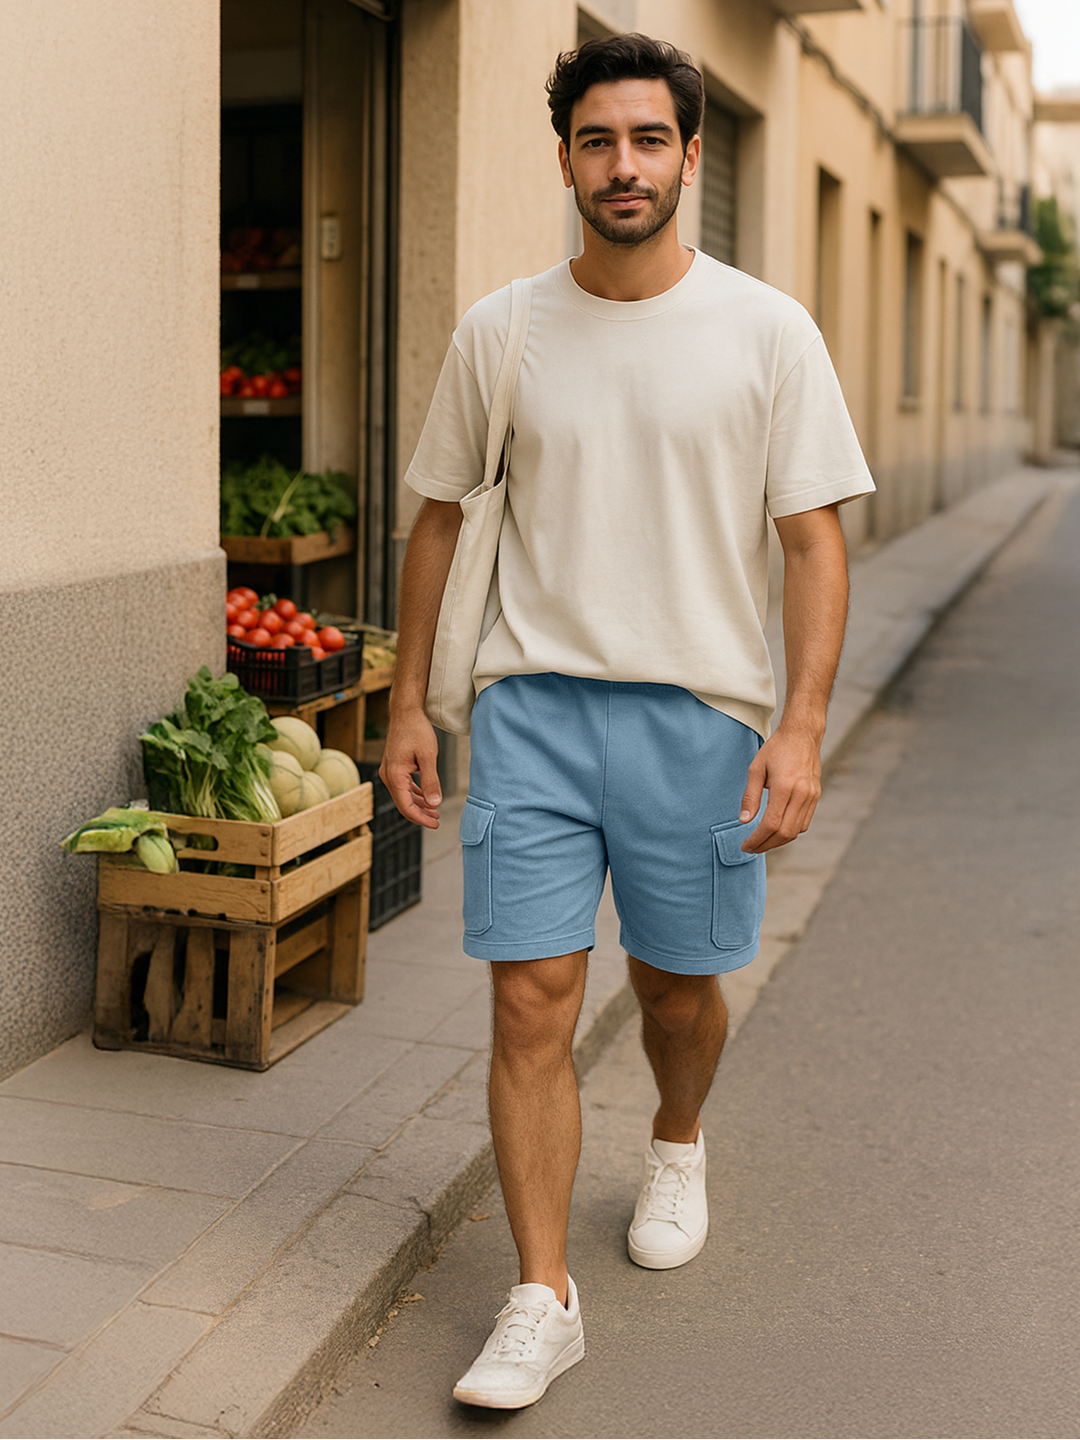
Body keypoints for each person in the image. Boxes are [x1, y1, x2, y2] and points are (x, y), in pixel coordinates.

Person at [379, 31, 874, 1411]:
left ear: (691, 158)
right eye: (597, 140)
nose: (623, 165)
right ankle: (541, 1296)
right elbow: (439, 518)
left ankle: (676, 1137)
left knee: (672, 991)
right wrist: (411, 701)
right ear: (566, 161)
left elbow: (814, 541)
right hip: (533, 712)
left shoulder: (767, 330)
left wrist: (800, 726)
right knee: (530, 1000)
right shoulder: (505, 330)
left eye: (649, 139)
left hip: (698, 719)